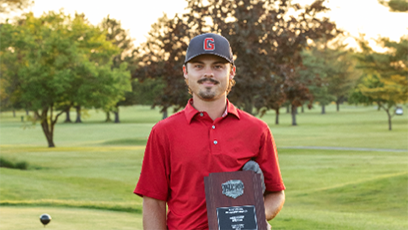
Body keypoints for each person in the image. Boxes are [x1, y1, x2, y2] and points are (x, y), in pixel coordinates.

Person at [134, 33, 285, 230]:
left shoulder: (257, 130)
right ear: (185, 72)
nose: (208, 74)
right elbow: (153, 201)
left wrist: (249, 217)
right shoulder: (163, 132)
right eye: (198, 66)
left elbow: (276, 193)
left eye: (218, 66)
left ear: (231, 72)